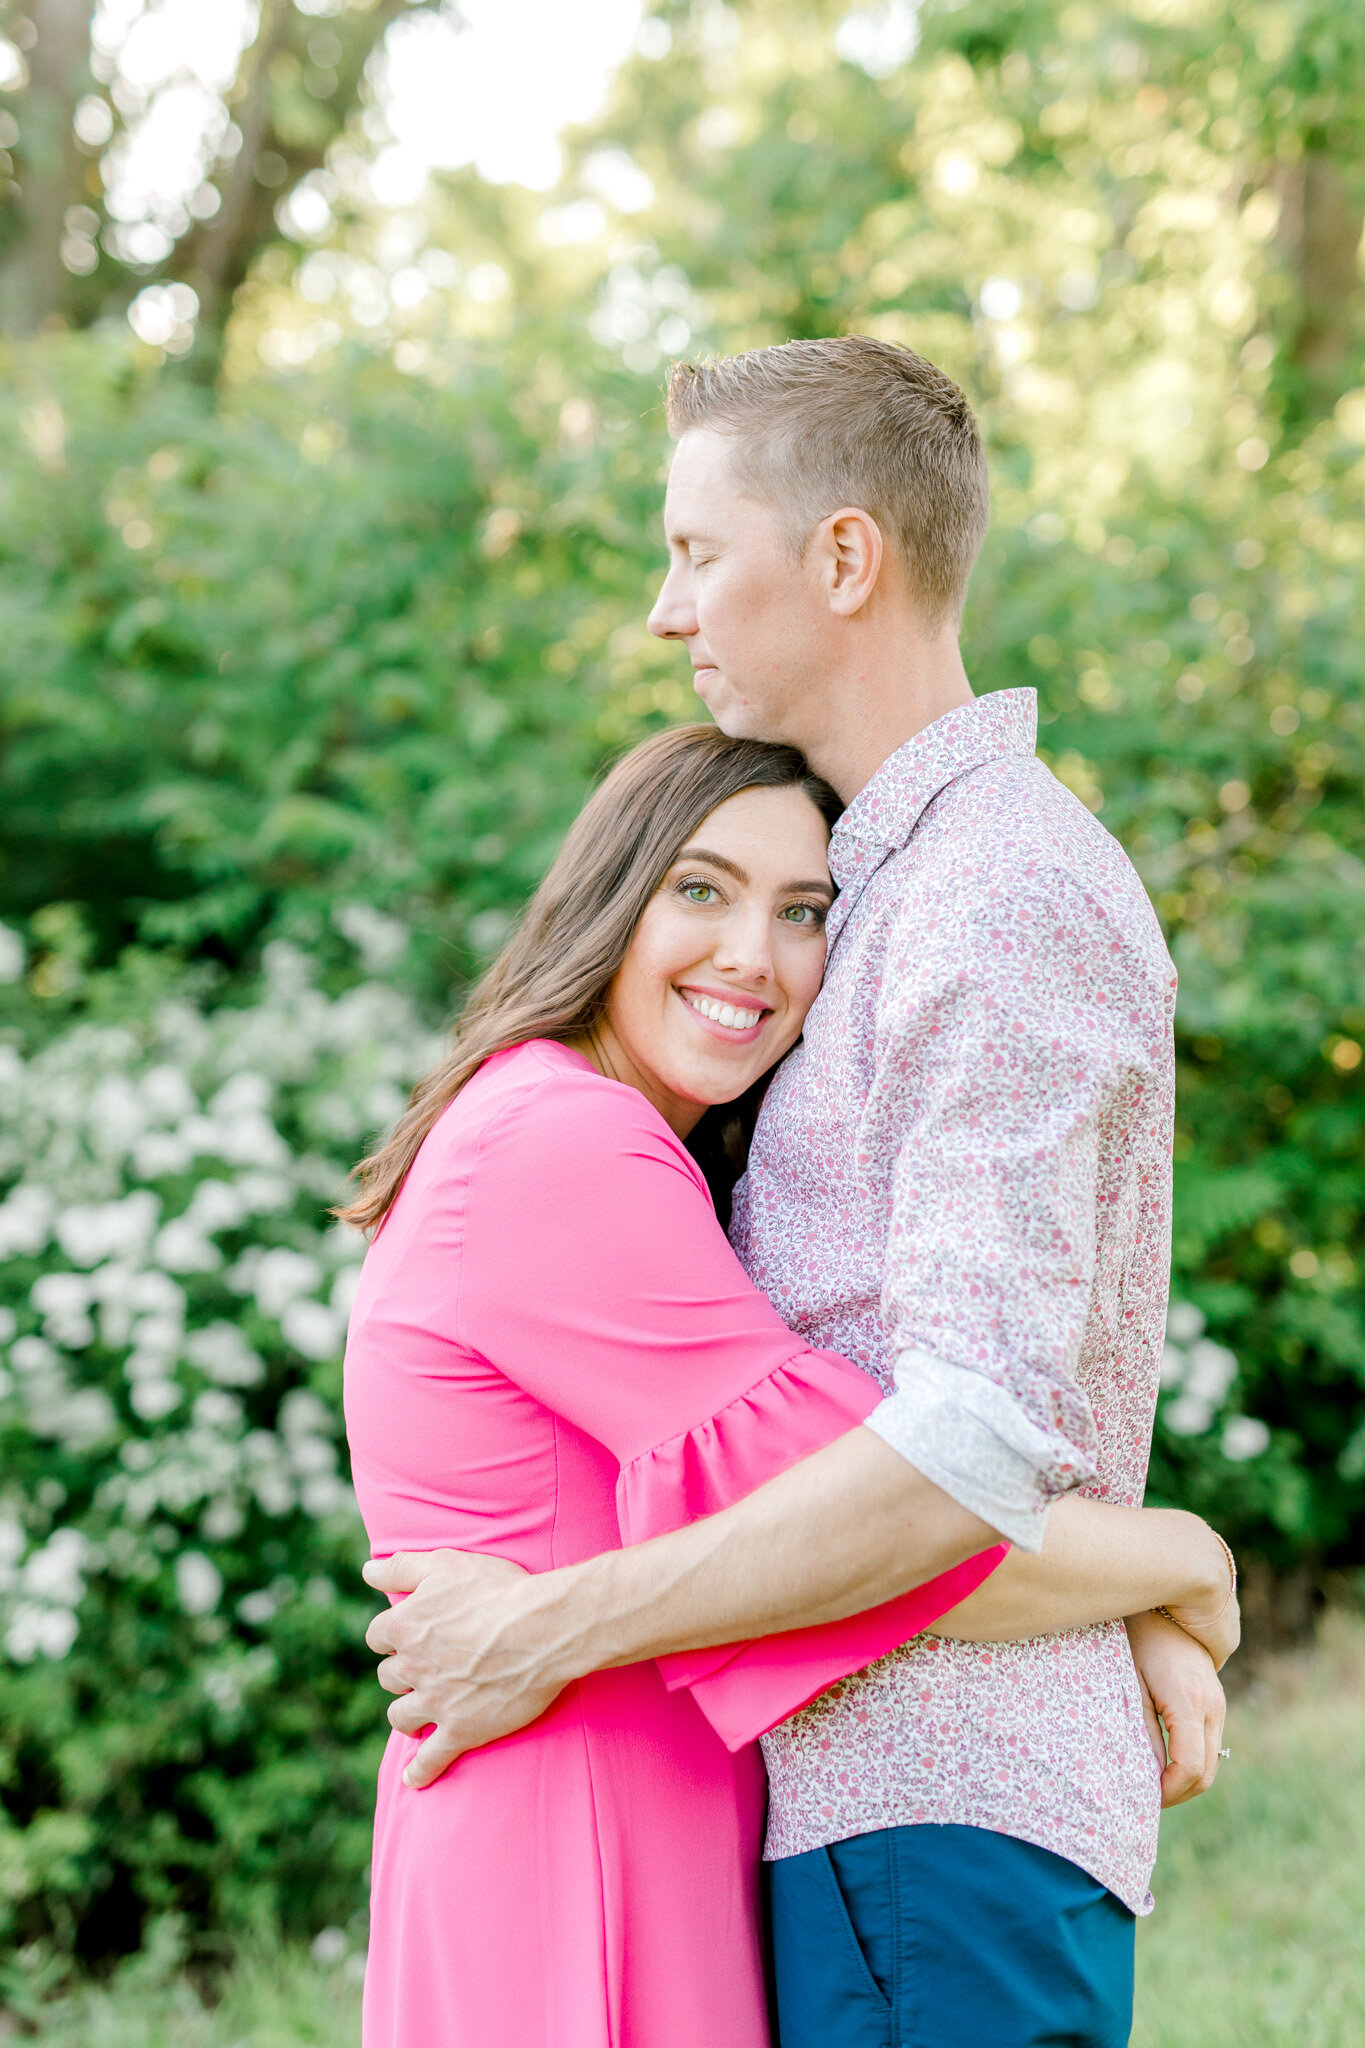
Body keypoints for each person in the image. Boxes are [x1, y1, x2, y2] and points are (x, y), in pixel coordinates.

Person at [362, 339, 1237, 2048]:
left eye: (695, 551)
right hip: (858, 1800)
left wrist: (1165, 1572)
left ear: (842, 559)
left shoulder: (989, 889)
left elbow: (966, 1449)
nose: (662, 609)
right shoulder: (899, 881)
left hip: (939, 1793)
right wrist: (1154, 1573)